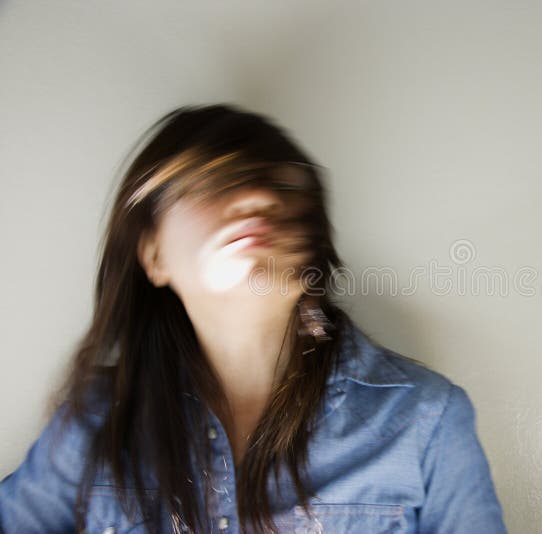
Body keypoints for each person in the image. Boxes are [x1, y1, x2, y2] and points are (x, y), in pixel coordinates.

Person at [0, 103, 507, 533]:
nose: (257, 199)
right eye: (212, 181)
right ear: (153, 256)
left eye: (284, 189)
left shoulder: (427, 420)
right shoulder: (94, 422)